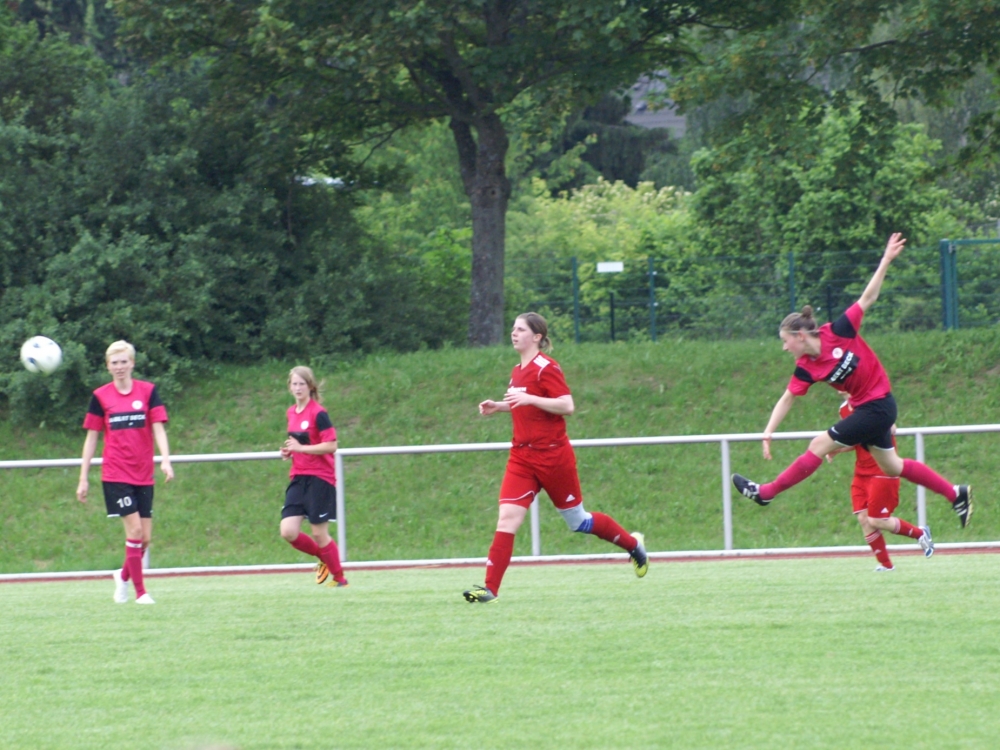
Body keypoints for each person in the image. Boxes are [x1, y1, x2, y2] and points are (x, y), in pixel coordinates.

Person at [732, 232, 972, 528]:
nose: (784, 347)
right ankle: (955, 493)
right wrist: (767, 432)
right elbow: (788, 397)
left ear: (801, 336)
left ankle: (766, 493)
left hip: (879, 406)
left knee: (819, 444)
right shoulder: (806, 366)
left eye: (785, 341)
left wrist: (885, 260)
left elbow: (868, 297)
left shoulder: (840, 331)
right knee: (893, 466)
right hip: (869, 411)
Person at [463, 312, 648, 604]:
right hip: (522, 458)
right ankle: (489, 589)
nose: (514, 333)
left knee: (579, 522)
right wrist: (499, 406)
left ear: (536, 337)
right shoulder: (517, 370)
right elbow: (524, 405)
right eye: (512, 329)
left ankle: (633, 545)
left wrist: (530, 399)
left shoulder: (546, 367)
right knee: (507, 519)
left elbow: (567, 405)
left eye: (521, 329)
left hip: (553, 458)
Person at [77, 340, 173, 604]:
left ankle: (123, 576)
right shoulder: (100, 397)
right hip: (115, 474)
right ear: (108, 366)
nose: (119, 367)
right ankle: (141, 593)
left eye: (123, 362)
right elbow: (92, 438)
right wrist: (83, 477)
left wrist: (165, 460)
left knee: (145, 539)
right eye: (114, 363)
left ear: (132, 363)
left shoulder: (148, 391)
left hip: (143, 473)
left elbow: (158, 428)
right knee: (134, 533)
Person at [829, 399, 934, 571]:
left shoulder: (871, 402)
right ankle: (886, 565)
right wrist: (836, 448)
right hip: (861, 472)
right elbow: (853, 440)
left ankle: (920, 534)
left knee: (877, 520)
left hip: (883, 469)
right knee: (864, 519)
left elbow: (892, 429)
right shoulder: (843, 409)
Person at [278, 366, 347, 588]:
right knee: (288, 531)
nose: (298, 388)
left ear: (310, 386)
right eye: (294, 384)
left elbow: (332, 445)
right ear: (289, 387)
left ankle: (340, 579)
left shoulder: (319, 413)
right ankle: (325, 559)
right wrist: (289, 450)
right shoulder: (291, 412)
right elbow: (299, 443)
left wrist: (301, 448)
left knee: (319, 533)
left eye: (302, 384)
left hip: (321, 478)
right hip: (299, 477)